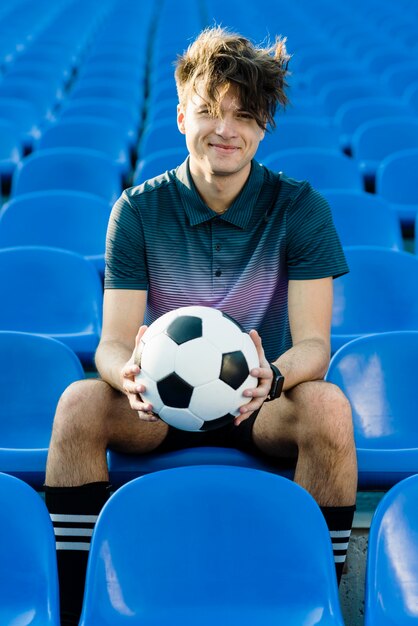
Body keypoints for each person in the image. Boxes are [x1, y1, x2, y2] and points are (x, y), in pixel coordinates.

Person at [45, 26, 357, 626]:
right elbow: (113, 342)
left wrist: (273, 377)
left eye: (244, 115)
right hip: (158, 409)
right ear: (181, 117)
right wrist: (128, 375)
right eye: (209, 111)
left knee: (330, 410)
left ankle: (322, 597)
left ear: (264, 125)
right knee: (79, 403)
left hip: (259, 405)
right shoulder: (137, 209)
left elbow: (315, 344)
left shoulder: (301, 208)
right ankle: (77, 603)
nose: (226, 130)